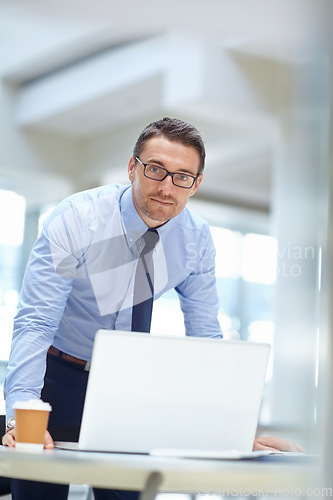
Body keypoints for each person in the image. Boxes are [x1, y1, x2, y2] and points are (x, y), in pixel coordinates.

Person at [2, 117, 303, 500]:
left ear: (196, 185)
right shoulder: (77, 220)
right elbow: (36, 322)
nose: (166, 187)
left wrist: (231, 428)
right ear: (133, 167)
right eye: (156, 169)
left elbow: (207, 337)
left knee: (129, 495)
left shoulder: (195, 240)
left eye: (182, 176)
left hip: (128, 388)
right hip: (57, 375)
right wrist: (20, 416)